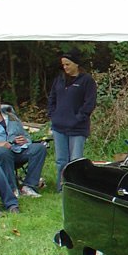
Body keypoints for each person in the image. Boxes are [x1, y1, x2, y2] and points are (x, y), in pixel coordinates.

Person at [47, 48, 97, 189]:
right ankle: (61, 187)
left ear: (76, 64)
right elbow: (52, 98)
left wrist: (78, 118)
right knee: (61, 160)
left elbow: (90, 103)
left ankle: (76, 188)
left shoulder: (87, 81)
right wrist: (52, 114)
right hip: (59, 127)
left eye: (67, 64)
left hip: (77, 128)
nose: (65, 67)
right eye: (63, 65)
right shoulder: (60, 79)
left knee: (75, 160)